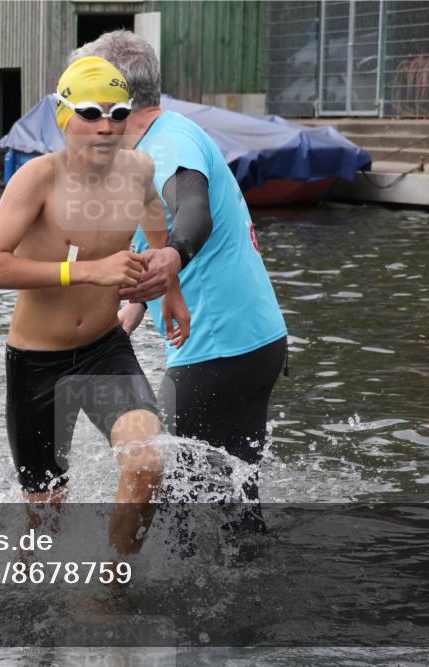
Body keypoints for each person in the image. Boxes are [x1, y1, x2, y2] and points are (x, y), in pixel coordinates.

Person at [0, 57, 188, 554]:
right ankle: (29, 603)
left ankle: (112, 591)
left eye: (118, 113)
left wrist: (170, 288)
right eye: (91, 112)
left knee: (148, 462)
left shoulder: (139, 169)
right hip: (36, 364)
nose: (106, 126)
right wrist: (87, 271)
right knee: (46, 517)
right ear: (64, 116)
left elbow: (156, 223)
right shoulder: (36, 179)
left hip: (103, 351)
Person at [72, 32, 289, 503]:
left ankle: (157, 579)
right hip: (254, 341)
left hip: (217, 351)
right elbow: (153, 242)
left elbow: (193, 213)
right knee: (231, 501)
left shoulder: (164, 145)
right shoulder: (163, 136)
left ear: (114, 98)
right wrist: (126, 317)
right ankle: (252, 574)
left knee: (165, 491)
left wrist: (172, 258)